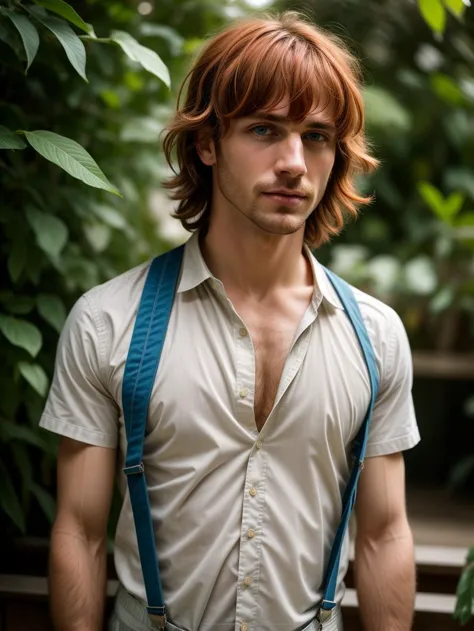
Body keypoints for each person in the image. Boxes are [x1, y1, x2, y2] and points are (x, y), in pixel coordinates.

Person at [40, 10, 420, 631]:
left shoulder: (374, 336)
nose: (295, 162)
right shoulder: (110, 322)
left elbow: (382, 536)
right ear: (208, 142)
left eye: (317, 136)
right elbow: (79, 533)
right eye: (265, 130)